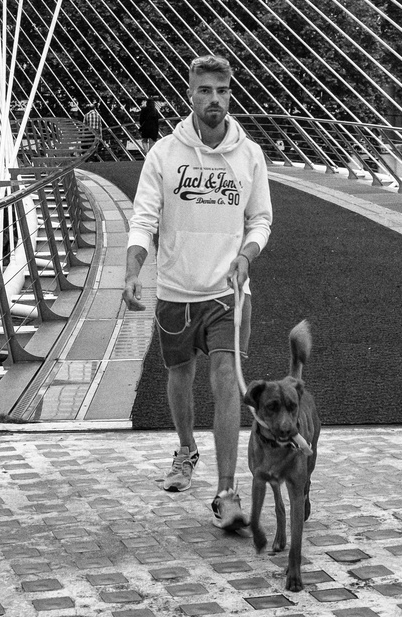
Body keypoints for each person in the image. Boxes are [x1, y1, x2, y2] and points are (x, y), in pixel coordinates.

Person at [123, 55, 273, 531]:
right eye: (205, 90)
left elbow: (261, 220)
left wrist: (245, 258)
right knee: (179, 374)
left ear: (231, 95)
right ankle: (186, 448)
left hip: (229, 292)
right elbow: (144, 219)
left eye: (222, 91)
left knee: (226, 377)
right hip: (174, 289)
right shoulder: (164, 155)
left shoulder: (249, 155)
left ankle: (226, 491)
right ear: (190, 95)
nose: (214, 99)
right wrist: (132, 271)